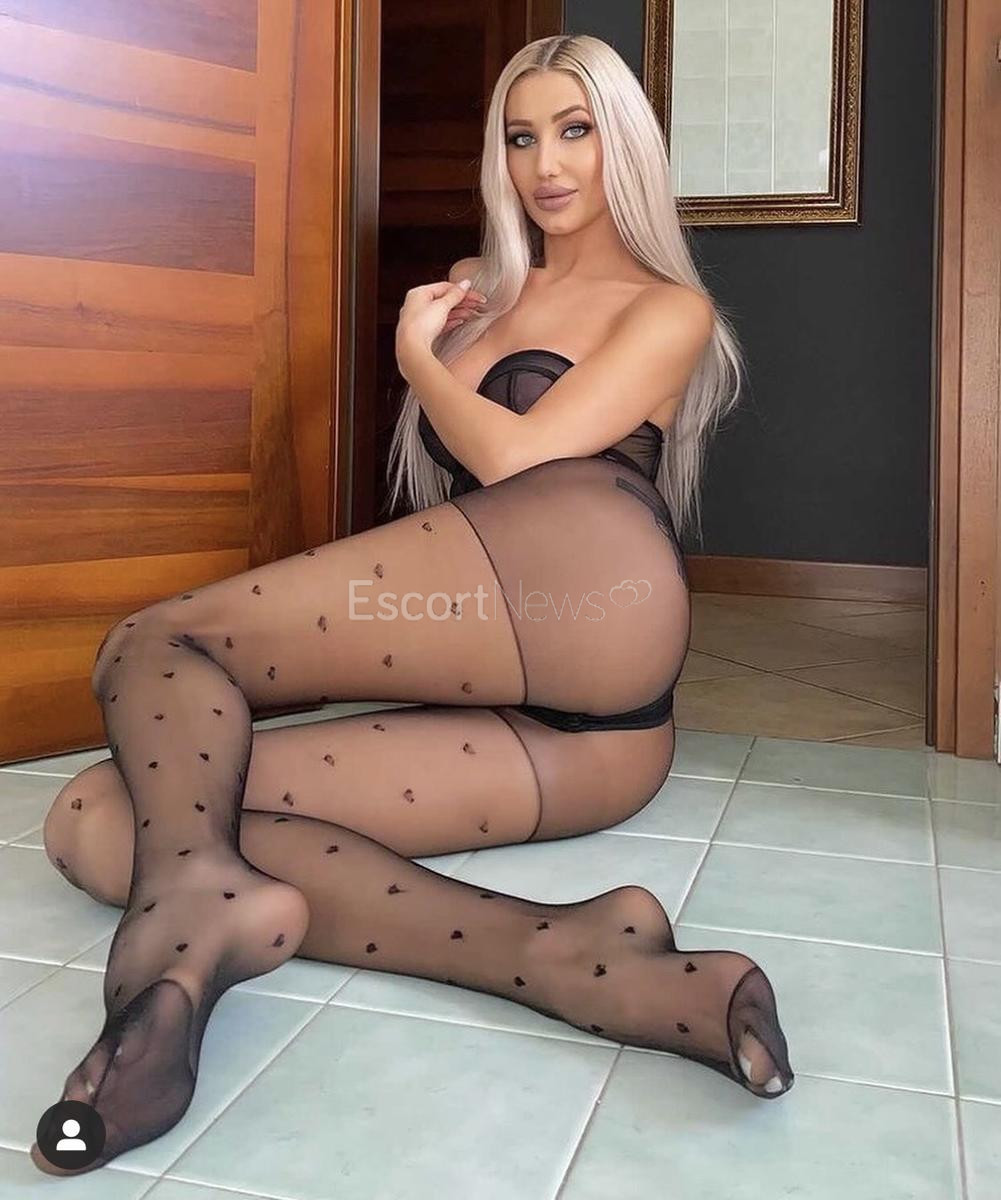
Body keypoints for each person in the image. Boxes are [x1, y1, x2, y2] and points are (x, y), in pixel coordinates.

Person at [33, 33, 793, 1177]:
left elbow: (514, 456)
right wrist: (453, 332)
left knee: (158, 639)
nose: (546, 164)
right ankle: (579, 958)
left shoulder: (665, 308)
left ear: (625, 146)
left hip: (593, 591)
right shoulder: (482, 291)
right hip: (561, 741)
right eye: (520, 137)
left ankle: (177, 941)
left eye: (575, 131)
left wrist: (417, 357)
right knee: (105, 817)